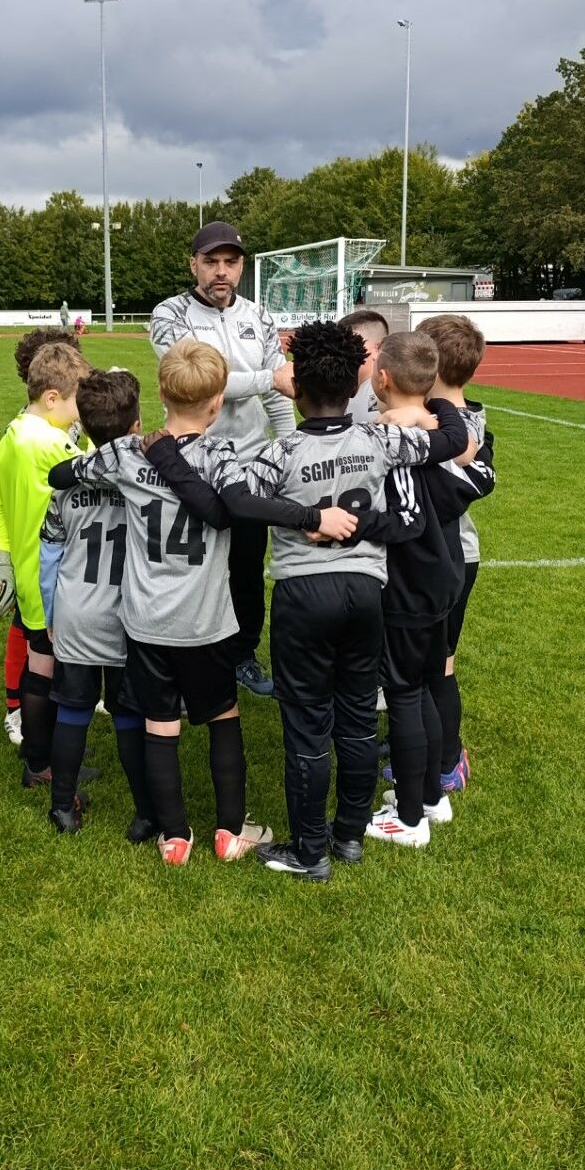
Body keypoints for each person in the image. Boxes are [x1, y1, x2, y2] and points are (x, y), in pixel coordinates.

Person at [216, 321, 478, 880]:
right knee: (358, 718)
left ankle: (311, 851)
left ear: (296, 388)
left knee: (307, 723)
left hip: (303, 596)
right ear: (355, 382)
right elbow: (453, 441)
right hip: (365, 592)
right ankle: (350, 838)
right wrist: (432, 405)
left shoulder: (282, 450)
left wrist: (309, 517)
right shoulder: (378, 438)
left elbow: (237, 500)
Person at [48, 340, 291, 866]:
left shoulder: (126, 453)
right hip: (205, 620)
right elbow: (237, 506)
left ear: (160, 393)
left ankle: (174, 837)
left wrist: (99, 464)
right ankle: (230, 831)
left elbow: (63, 476)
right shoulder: (220, 456)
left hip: (145, 620)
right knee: (222, 716)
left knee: (160, 724)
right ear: (218, 401)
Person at [148, 222, 296, 697]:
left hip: (250, 466)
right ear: (193, 264)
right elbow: (201, 382)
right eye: (211, 261)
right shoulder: (170, 314)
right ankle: (182, 657)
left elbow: (280, 393)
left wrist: (290, 449)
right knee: (187, 566)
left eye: (230, 262)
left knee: (246, 570)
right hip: (190, 463)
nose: (220, 271)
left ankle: (241, 655)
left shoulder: (259, 316)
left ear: (241, 267)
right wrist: (269, 379)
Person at [369, 330, 488, 848]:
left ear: (382, 379)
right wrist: (432, 413)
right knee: (426, 687)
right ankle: (434, 798)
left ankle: (409, 817)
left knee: (405, 695)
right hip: (444, 578)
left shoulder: (389, 441)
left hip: (408, 586)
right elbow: (475, 473)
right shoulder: (446, 439)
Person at [37, 370, 155, 837]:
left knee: (73, 709)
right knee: (128, 713)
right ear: (137, 424)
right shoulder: (147, 481)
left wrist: (51, 613)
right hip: (129, 614)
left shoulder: (67, 485)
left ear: (83, 426)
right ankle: (145, 811)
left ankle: (62, 807)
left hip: (77, 612)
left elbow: (49, 554)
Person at [0, 343, 93, 788]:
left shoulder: (13, 433)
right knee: (46, 672)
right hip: (53, 577)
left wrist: (2, 558)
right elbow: (98, 472)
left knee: (38, 664)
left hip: (30, 573)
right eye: (77, 402)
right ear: (52, 398)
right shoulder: (48, 443)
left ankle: (40, 755)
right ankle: (41, 763)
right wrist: (98, 429)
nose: (80, 411)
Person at [415, 314, 490, 797]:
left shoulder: (458, 425)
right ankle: (429, 747)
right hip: (443, 554)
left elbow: (462, 467)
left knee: (438, 664)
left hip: (447, 556)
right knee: (429, 663)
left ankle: (446, 761)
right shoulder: (447, 414)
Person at [339, 308, 390, 421]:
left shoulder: (391, 392)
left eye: (351, 346)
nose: (342, 352)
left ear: (378, 348)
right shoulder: (341, 391)